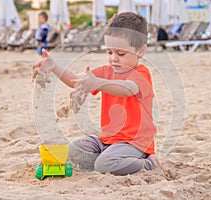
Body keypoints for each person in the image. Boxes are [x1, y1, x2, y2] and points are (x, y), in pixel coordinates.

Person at [33, 12, 160, 176]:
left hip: (135, 142)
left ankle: (149, 162)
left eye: (120, 54)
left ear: (140, 52)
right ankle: (112, 161)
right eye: (109, 52)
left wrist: (98, 83)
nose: (114, 58)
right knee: (73, 149)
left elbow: (126, 88)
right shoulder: (106, 72)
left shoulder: (141, 74)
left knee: (104, 164)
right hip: (106, 140)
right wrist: (54, 66)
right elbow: (75, 80)